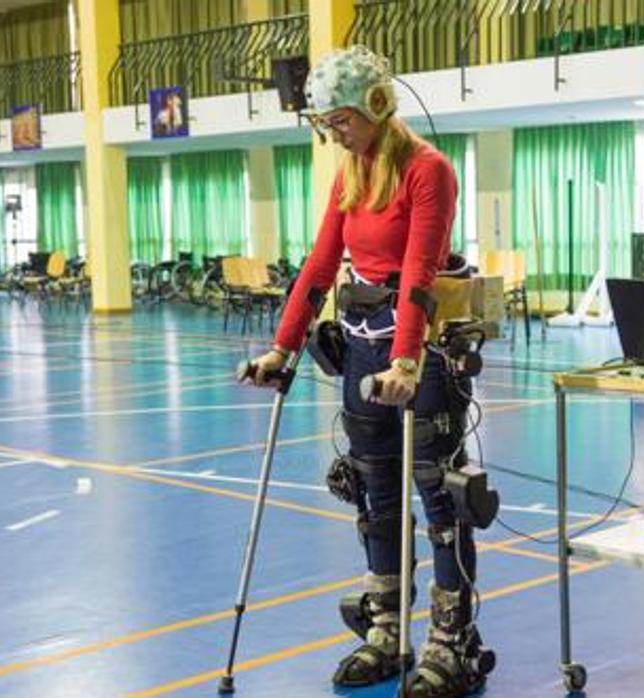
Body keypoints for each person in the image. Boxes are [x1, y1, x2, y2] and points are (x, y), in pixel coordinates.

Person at [242, 46, 492, 697]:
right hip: (359, 347)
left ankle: (450, 640)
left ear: (378, 106)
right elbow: (320, 266)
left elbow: (419, 270)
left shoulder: (427, 170)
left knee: (442, 498)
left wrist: (407, 358)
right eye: (326, 124)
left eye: (340, 120)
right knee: (376, 494)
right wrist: (283, 348)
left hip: (424, 351)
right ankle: (387, 630)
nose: (333, 134)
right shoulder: (350, 174)